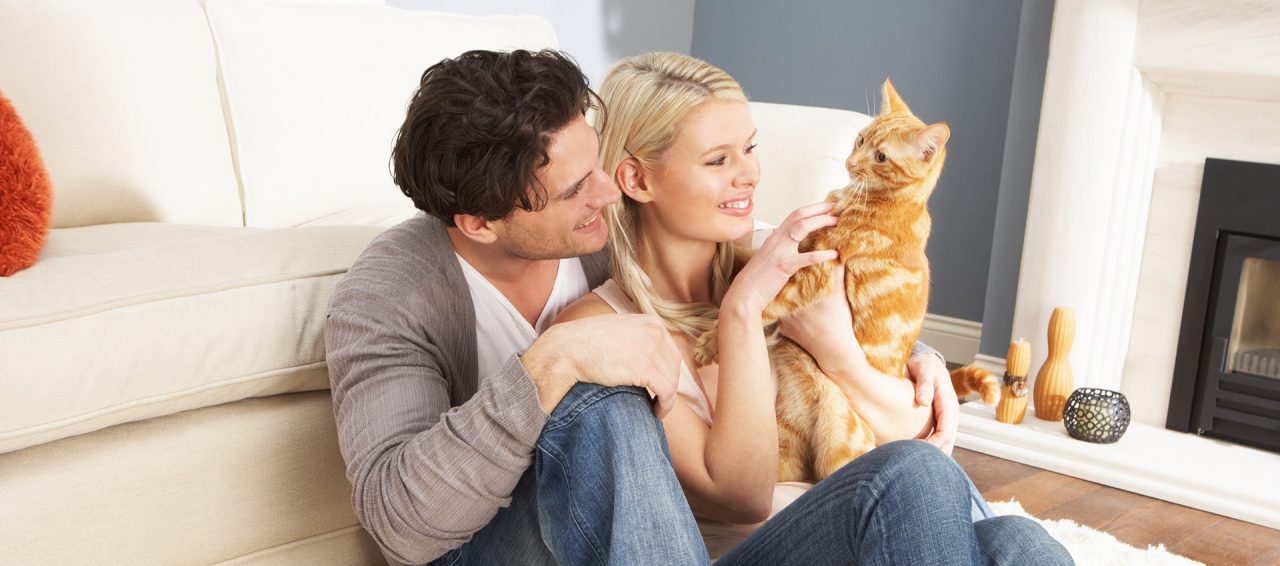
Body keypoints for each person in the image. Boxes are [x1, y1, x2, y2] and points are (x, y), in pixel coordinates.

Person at [324, 48, 991, 565]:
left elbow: (766, 272)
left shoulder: (607, 230)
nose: (609, 191)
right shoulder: (391, 293)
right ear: (478, 224)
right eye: (576, 189)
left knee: (1012, 541)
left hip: (638, 536)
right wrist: (551, 362)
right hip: (494, 547)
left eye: (600, 165)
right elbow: (402, 526)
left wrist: (917, 355)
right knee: (602, 402)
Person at [554, 51, 1073, 565]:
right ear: (638, 180)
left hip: (866, 533)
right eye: (719, 160)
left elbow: (914, 431)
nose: (750, 174)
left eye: (750, 149)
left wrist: (863, 354)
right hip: (750, 551)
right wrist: (741, 314)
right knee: (912, 477)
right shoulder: (603, 328)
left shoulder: (777, 265)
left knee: (1024, 545)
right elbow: (744, 497)